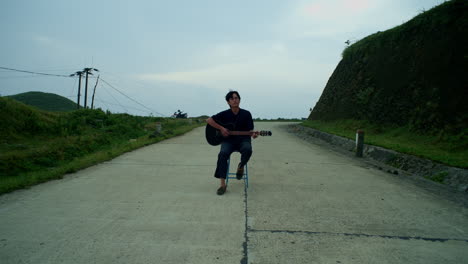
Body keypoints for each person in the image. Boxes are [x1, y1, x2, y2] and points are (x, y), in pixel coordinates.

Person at [206, 91, 258, 195]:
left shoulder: (246, 114)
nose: (235, 100)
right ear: (228, 102)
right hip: (228, 141)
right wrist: (221, 128)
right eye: (232, 98)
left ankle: (241, 166)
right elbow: (209, 120)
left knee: (248, 149)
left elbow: (250, 129)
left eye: (237, 98)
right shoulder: (225, 114)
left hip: (243, 140)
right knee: (222, 154)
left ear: (239, 100)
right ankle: (222, 185)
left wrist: (253, 134)